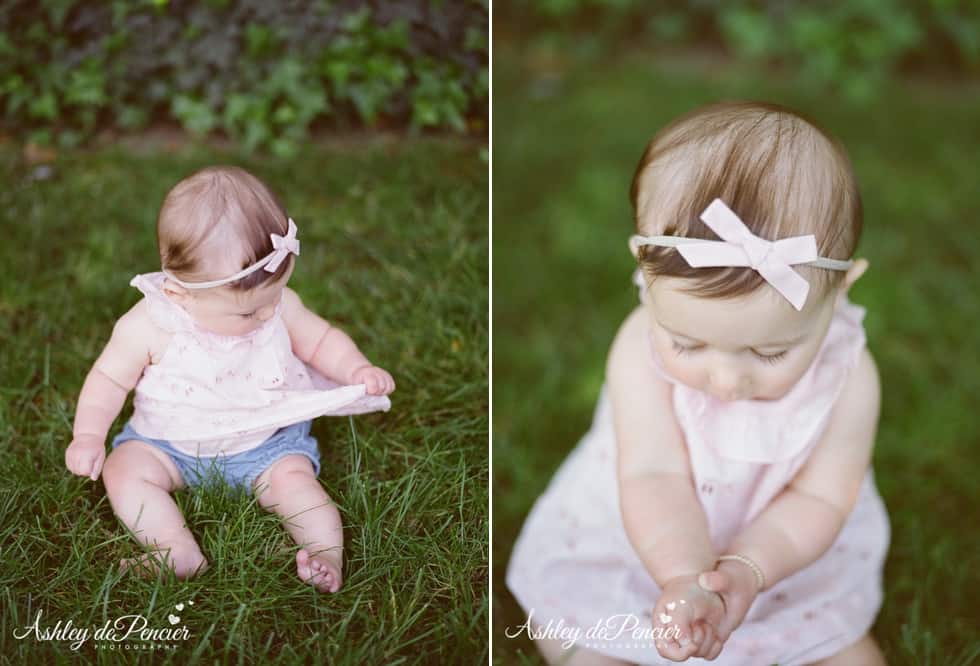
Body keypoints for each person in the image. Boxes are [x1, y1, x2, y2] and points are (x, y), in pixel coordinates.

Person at [506, 102, 890, 664]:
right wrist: (685, 576)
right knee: (588, 643)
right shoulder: (637, 351)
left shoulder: (851, 378)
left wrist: (748, 569)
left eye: (771, 350)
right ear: (644, 271)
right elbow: (651, 473)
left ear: (843, 289)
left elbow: (821, 498)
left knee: (846, 653)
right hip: (643, 539)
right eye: (686, 344)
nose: (727, 380)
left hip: (786, 558)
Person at [64, 165, 395, 594]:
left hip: (266, 444)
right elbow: (108, 379)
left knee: (297, 485)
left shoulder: (276, 306)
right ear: (178, 292)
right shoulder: (149, 325)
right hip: (168, 445)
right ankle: (175, 549)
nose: (266, 314)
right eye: (246, 311)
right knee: (124, 470)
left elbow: (320, 340)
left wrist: (355, 368)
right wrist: (88, 435)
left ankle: (325, 552)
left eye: (273, 298)